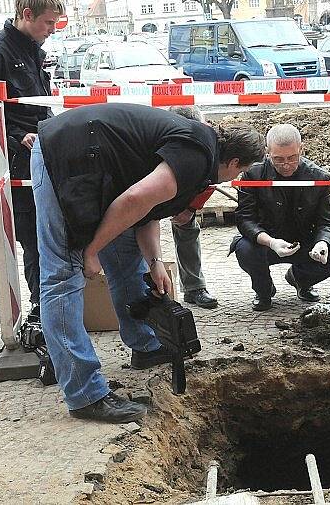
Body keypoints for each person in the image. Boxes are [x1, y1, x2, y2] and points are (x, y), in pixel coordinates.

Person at [31, 103, 265, 423]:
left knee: (127, 255)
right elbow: (135, 200)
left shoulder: (198, 148)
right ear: (234, 161)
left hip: (94, 160)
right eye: (238, 172)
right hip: (64, 156)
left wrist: (155, 262)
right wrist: (93, 250)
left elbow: (147, 211)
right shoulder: (197, 155)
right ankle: (85, 395)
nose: (234, 178)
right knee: (64, 275)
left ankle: (145, 345)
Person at [0, 0, 65, 324]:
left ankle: (52, 306)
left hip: (45, 152)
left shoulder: (32, 49)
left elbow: (37, 102)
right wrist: (15, 137)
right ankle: (42, 312)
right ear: (26, 15)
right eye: (49, 22)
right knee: (34, 240)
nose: (52, 30)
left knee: (51, 233)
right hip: (19, 163)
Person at [232, 124, 330, 311]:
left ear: (301, 149)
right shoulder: (252, 174)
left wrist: (322, 243)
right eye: (278, 159)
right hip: (266, 240)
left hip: (305, 241)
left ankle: (300, 279)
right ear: (267, 152)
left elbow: (325, 221)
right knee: (244, 249)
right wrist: (270, 242)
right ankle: (263, 290)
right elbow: (245, 219)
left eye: (292, 158)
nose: (286, 165)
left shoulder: (319, 176)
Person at [167, 106, 218, 309]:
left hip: (188, 187)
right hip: (154, 183)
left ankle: (194, 287)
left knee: (187, 227)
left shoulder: (210, 142)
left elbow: (213, 179)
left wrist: (189, 208)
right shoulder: (161, 137)